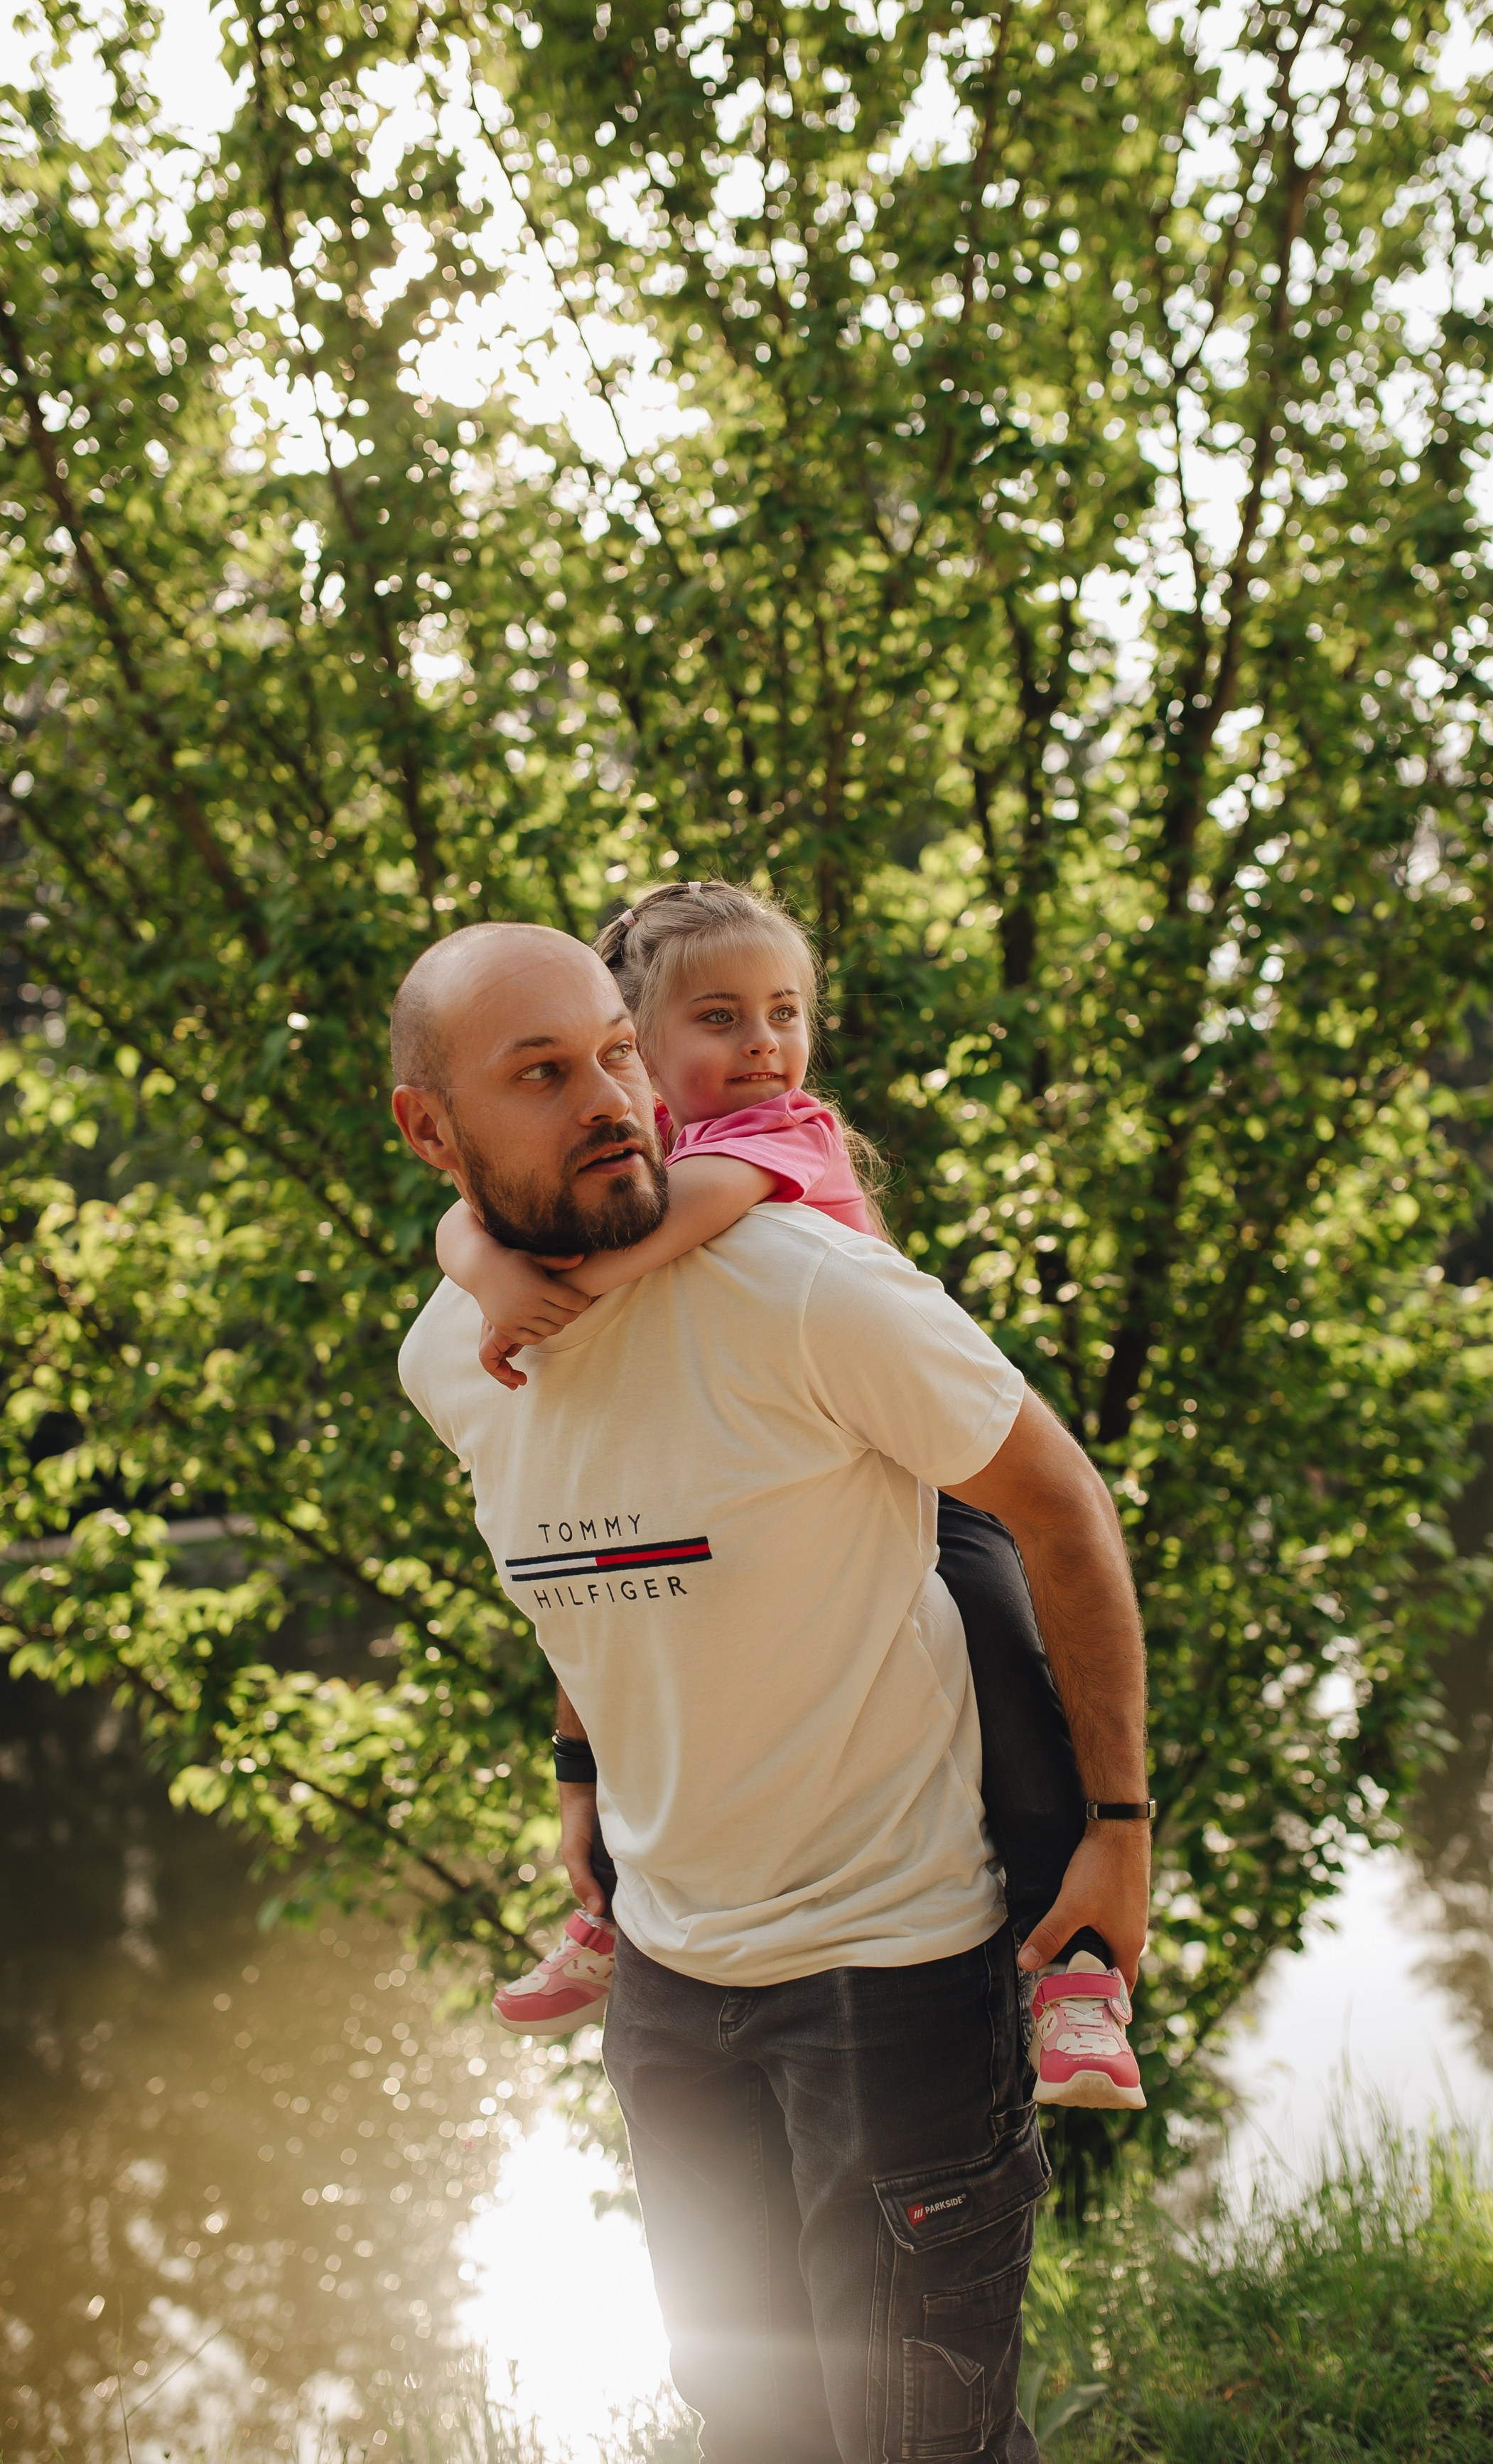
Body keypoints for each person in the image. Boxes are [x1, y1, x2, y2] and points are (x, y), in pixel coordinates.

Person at [391, 920, 1150, 2464]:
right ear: (429, 1128)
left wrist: (1121, 1824)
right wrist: (578, 1787)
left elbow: (1060, 1506)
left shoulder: (803, 1283)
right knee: (751, 2426)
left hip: (899, 1976)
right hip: (670, 1998)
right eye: (545, 1071)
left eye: (615, 1048)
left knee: (919, 2441)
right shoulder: (448, 1362)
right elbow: (579, 1584)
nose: (611, 1095)